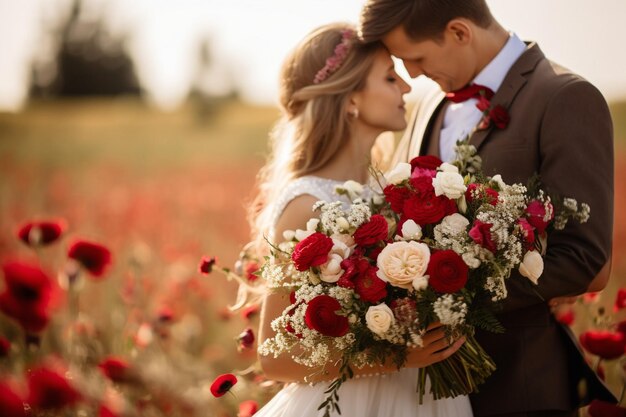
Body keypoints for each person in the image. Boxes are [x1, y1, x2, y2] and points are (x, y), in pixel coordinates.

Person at [359, 1, 615, 416]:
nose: (414, 74)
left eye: (417, 58)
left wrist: (448, 301)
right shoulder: (427, 106)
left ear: (460, 32)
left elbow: (584, 257)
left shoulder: (566, 97)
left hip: (520, 386)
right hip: (419, 396)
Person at [249, 22, 472, 417]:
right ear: (351, 98)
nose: (406, 88)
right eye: (390, 77)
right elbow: (274, 357)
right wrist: (400, 357)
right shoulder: (305, 203)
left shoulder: (391, 191)